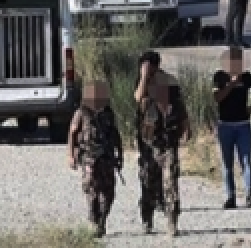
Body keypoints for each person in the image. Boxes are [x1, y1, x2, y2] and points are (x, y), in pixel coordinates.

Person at [135, 51, 192, 236]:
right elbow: (138, 98)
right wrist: (144, 77)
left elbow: (180, 107)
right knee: (148, 183)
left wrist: (186, 128)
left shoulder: (170, 81)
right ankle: (147, 220)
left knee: (171, 183)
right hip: (148, 144)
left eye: (148, 66)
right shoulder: (143, 83)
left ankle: (172, 222)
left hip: (168, 141)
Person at [213, 47, 251, 209]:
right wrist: (231, 84)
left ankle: (250, 193)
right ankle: (230, 196)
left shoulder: (247, 77)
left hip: (243, 124)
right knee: (227, 162)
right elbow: (217, 98)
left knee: (246, 160)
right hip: (225, 125)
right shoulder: (219, 76)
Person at [68, 80, 124, 238]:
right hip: (89, 157)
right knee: (91, 189)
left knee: (109, 192)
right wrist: (70, 155)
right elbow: (72, 134)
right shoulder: (81, 113)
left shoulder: (108, 113)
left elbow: (115, 134)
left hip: (106, 156)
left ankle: (102, 221)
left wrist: (120, 154)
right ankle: (93, 220)